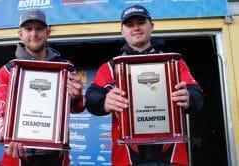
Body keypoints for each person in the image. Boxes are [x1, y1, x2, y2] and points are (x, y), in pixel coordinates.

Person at [85, 5, 203, 166]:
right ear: (122, 30)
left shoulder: (174, 62)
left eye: (141, 22)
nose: (136, 28)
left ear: (151, 26)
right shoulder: (110, 68)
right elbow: (91, 98)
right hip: (126, 158)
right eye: (130, 25)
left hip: (172, 157)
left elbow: (196, 94)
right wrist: (104, 102)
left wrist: (189, 98)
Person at [0, 9, 84, 166]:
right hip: (17, 154)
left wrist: (76, 97)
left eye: (39, 28)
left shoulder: (66, 68)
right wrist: (6, 133)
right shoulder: (8, 70)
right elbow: (0, 113)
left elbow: (79, 107)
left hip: (56, 156)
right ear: (20, 34)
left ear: (47, 32)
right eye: (28, 29)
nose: (34, 34)